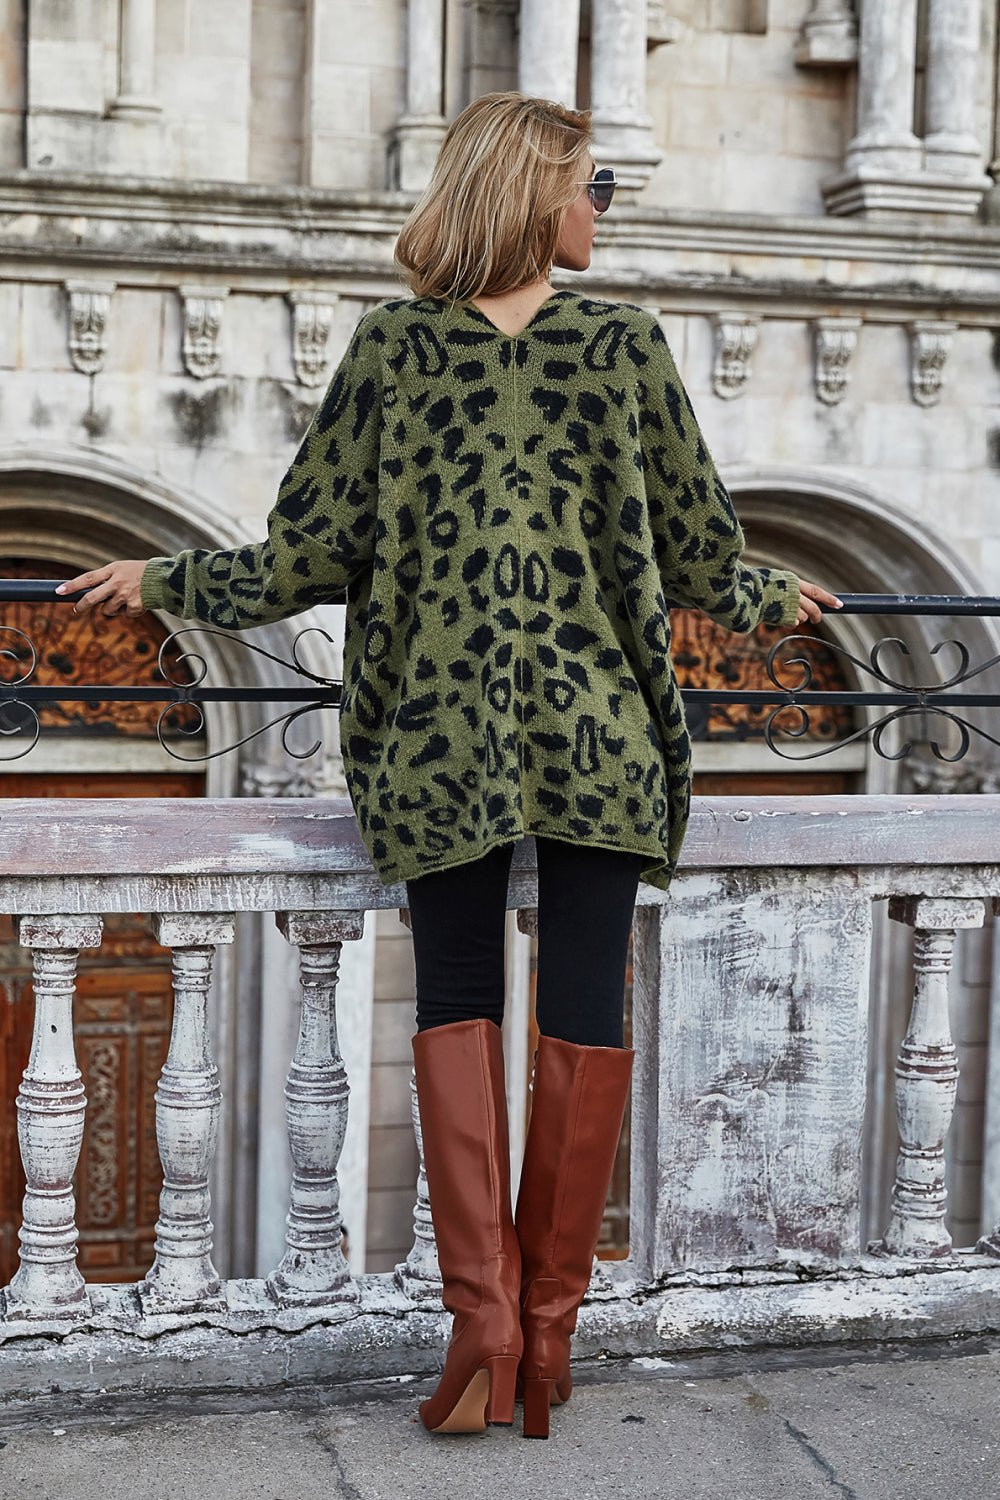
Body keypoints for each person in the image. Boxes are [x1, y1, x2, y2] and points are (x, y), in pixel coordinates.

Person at [58, 91, 843, 1440]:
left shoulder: (394, 351)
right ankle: (548, 1339)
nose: (604, 207)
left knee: (457, 1007)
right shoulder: (625, 348)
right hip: (599, 739)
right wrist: (775, 600)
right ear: (538, 194)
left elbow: (306, 554)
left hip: (439, 743)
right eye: (595, 184)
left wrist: (165, 579)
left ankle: (484, 1327)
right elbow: (703, 555)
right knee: (585, 1018)